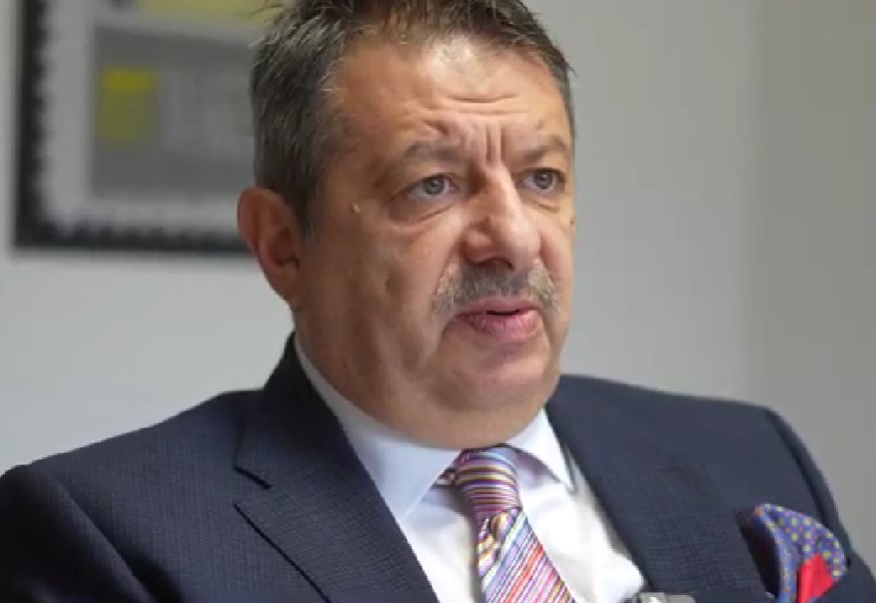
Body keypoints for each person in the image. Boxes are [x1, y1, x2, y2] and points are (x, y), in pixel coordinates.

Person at [1, 1, 874, 602]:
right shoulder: (110, 536)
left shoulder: (748, 454)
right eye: (433, 185)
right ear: (283, 243)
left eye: (542, 177)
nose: (514, 238)